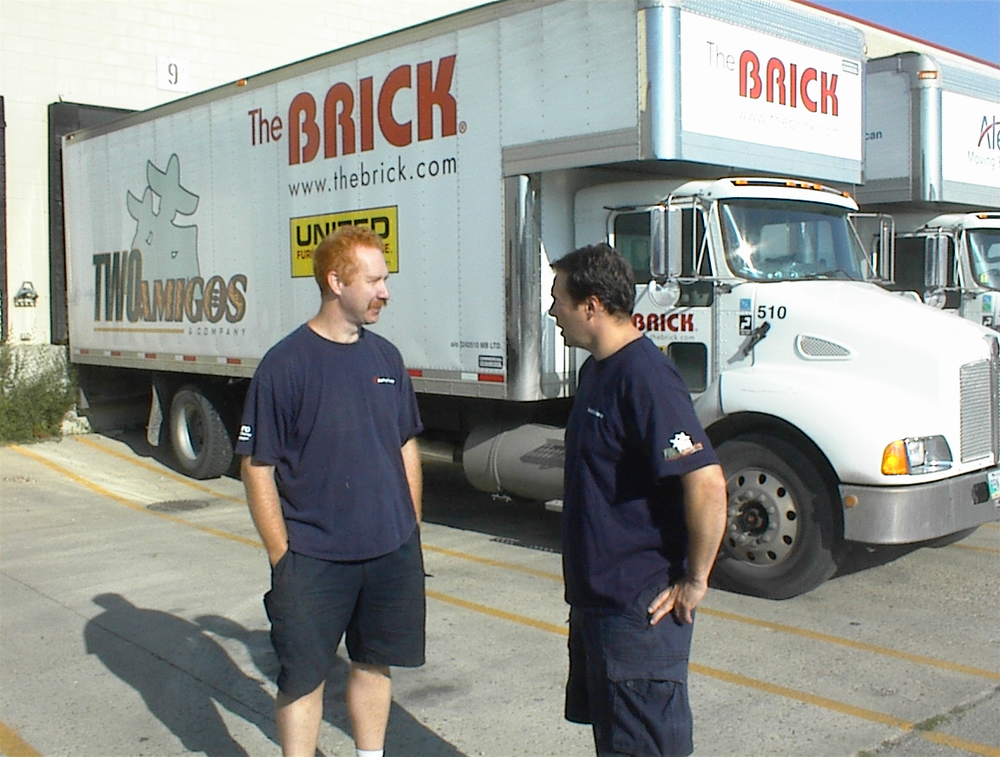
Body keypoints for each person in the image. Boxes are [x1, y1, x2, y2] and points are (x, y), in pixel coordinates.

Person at [236, 224, 425, 757]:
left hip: (389, 551)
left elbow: (406, 445)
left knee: (374, 663)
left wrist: (409, 529)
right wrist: (282, 558)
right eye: (374, 281)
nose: (385, 292)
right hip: (314, 558)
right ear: (335, 281)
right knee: (303, 678)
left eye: (384, 279)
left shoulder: (386, 359)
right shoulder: (285, 364)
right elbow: (258, 467)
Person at [549, 243, 728, 757]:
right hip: (598, 606)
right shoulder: (596, 372)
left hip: (638, 611)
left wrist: (695, 580)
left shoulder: (646, 377)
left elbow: (706, 481)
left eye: (558, 298)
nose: (551, 310)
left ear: (593, 305)